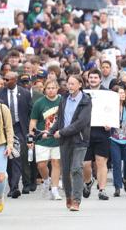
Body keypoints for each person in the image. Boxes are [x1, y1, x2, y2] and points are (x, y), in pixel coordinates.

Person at [48, 74, 92, 211]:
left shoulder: (86, 101)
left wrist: (61, 132)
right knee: (66, 170)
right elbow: (59, 119)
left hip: (79, 139)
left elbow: (80, 123)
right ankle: (69, 196)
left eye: (73, 84)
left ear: (80, 85)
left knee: (76, 168)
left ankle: (77, 201)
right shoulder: (64, 99)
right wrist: (51, 131)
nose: (70, 86)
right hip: (65, 139)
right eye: (68, 83)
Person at [0, 72, 34, 197]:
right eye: (4, 79)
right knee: (8, 158)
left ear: (15, 80)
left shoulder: (25, 93)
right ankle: (13, 185)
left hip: (20, 128)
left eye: (8, 79)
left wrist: (30, 131)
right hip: (5, 129)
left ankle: (14, 187)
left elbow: (30, 113)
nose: (5, 81)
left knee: (17, 157)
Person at [29, 79, 62, 201]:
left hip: (57, 138)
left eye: (53, 88)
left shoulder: (62, 101)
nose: (51, 90)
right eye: (48, 88)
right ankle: (46, 180)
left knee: (56, 163)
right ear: (44, 90)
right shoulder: (39, 103)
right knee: (41, 164)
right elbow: (33, 120)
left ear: (57, 88)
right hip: (42, 138)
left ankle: (54, 189)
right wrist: (31, 137)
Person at [82, 70, 112, 201]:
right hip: (85, 133)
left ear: (100, 79)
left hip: (102, 132)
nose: (93, 79)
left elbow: (112, 111)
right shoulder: (82, 94)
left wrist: (110, 123)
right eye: (91, 77)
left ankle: (102, 189)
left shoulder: (108, 94)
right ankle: (88, 182)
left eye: (95, 77)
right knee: (85, 164)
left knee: (101, 162)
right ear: (87, 79)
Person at [109, 81, 126, 197]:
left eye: (123, 93)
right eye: (120, 93)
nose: (122, 95)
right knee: (116, 163)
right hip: (114, 138)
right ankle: (117, 187)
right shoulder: (110, 108)